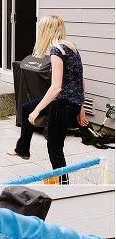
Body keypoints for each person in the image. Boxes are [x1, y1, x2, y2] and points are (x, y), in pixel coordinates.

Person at [6, 15, 87, 176]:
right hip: (70, 102)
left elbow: (56, 87)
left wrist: (37, 111)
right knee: (26, 108)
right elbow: (81, 80)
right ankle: (22, 149)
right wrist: (81, 107)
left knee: (54, 147)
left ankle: (63, 185)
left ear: (45, 31)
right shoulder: (71, 47)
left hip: (63, 103)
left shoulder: (57, 52)